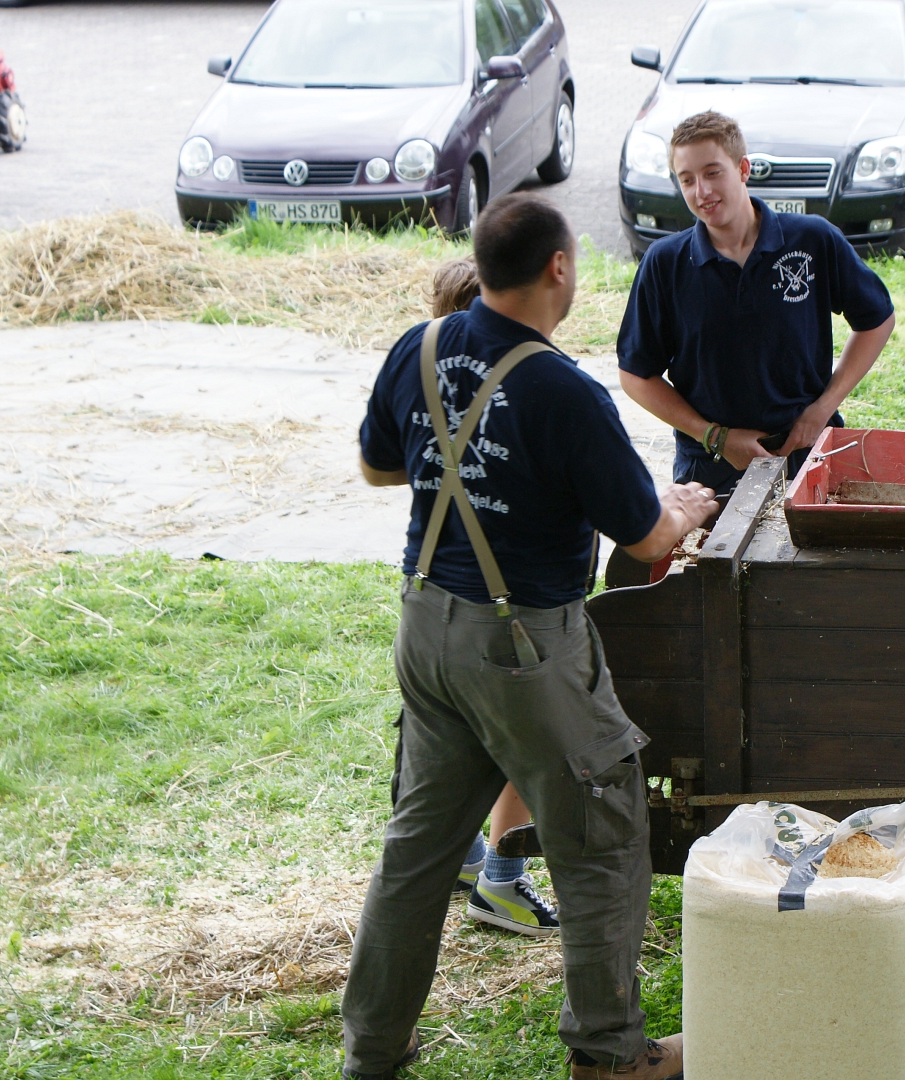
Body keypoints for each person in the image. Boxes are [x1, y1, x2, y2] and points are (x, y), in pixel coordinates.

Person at [347, 193, 717, 1080]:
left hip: (427, 625)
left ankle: (372, 1052)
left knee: (418, 851)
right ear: (559, 268)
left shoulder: (419, 346)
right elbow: (646, 539)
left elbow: (377, 464)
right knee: (603, 840)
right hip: (524, 649)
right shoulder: (563, 390)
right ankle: (610, 1053)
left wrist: (464, 467)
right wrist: (683, 508)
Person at [617, 110, 896, 495]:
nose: (702, 192)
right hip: (711, 466)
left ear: (743, 169)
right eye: (687, 179)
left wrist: (821, 409)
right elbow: (635, 374)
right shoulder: (665, 264)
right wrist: (715, 436)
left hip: (807, 451)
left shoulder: (812, 240)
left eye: (713, 172)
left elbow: (877, 319)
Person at [418, 255, 546, 933]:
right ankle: (501, 879)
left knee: (455, 731)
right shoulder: (523, 388)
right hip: (507, 599)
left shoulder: (426, 384)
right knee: (523, 739)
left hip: (436, 595)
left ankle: (463, 854)